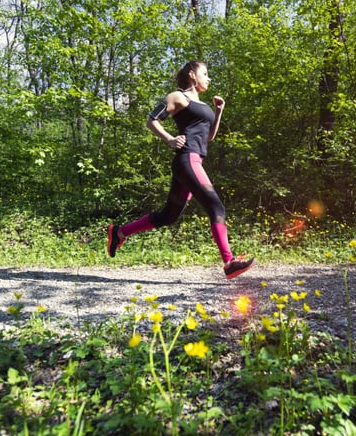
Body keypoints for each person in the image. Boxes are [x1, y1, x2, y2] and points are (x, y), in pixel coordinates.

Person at [107, 61, 255, 280]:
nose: (209, 78)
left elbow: (209, 137)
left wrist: (218, 111)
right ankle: (229, 262)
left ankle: (119, 232)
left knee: (168, 216)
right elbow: (151, 120)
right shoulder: (178, 97)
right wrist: (169, 138)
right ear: (192, 75)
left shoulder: (202, 104)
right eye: (205, 73)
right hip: (187, 159)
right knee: (216, 206)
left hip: (193, 161)